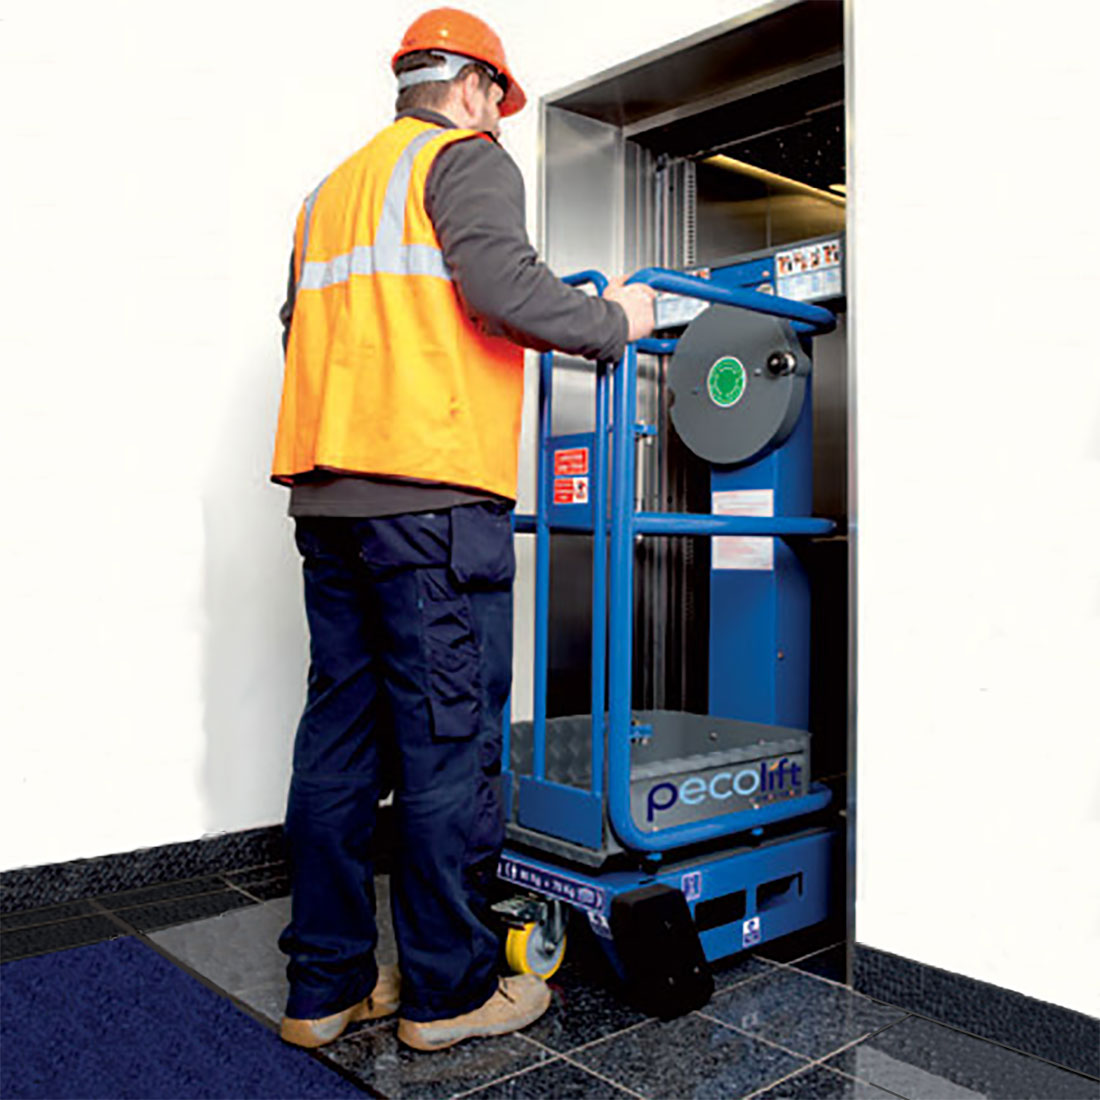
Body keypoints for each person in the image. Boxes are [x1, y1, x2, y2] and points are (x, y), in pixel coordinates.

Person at [270, 7, 655, 1053]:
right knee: (447, 750)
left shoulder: (329, 193)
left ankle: (326, 988)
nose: (499, 115)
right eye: (499, 97)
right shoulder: (464, 159)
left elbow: (299, 329)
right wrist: (616, 321)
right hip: (431, 506)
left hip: (329, 501)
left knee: (339, 745)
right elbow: (500, 288)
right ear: (476, 87)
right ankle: (446, 995)